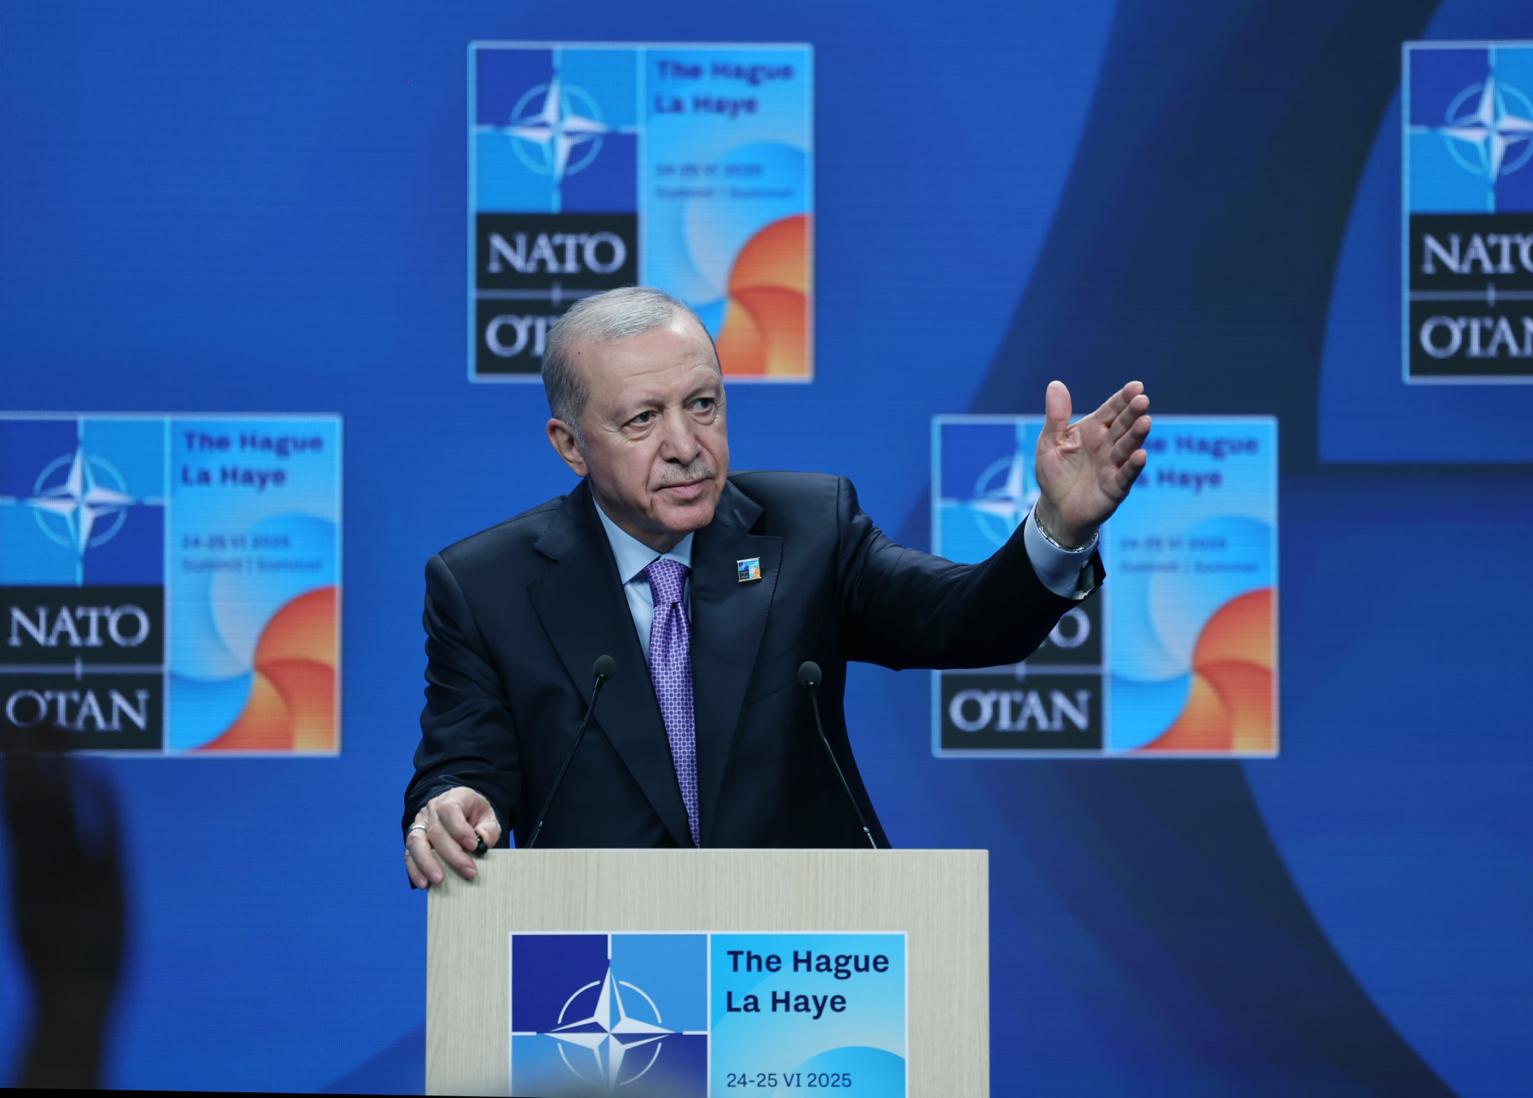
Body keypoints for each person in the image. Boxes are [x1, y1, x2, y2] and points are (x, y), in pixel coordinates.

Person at [402, 287, 1150, 887]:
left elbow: (968, 620)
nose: (686, 446)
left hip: (799, 968)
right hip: (602, 969)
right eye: (642, 420)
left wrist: (1059, 527)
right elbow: (464, 762)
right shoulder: (487, 585)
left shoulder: (808, 530)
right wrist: (453, 804)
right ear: (570, 445)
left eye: (703, 404)